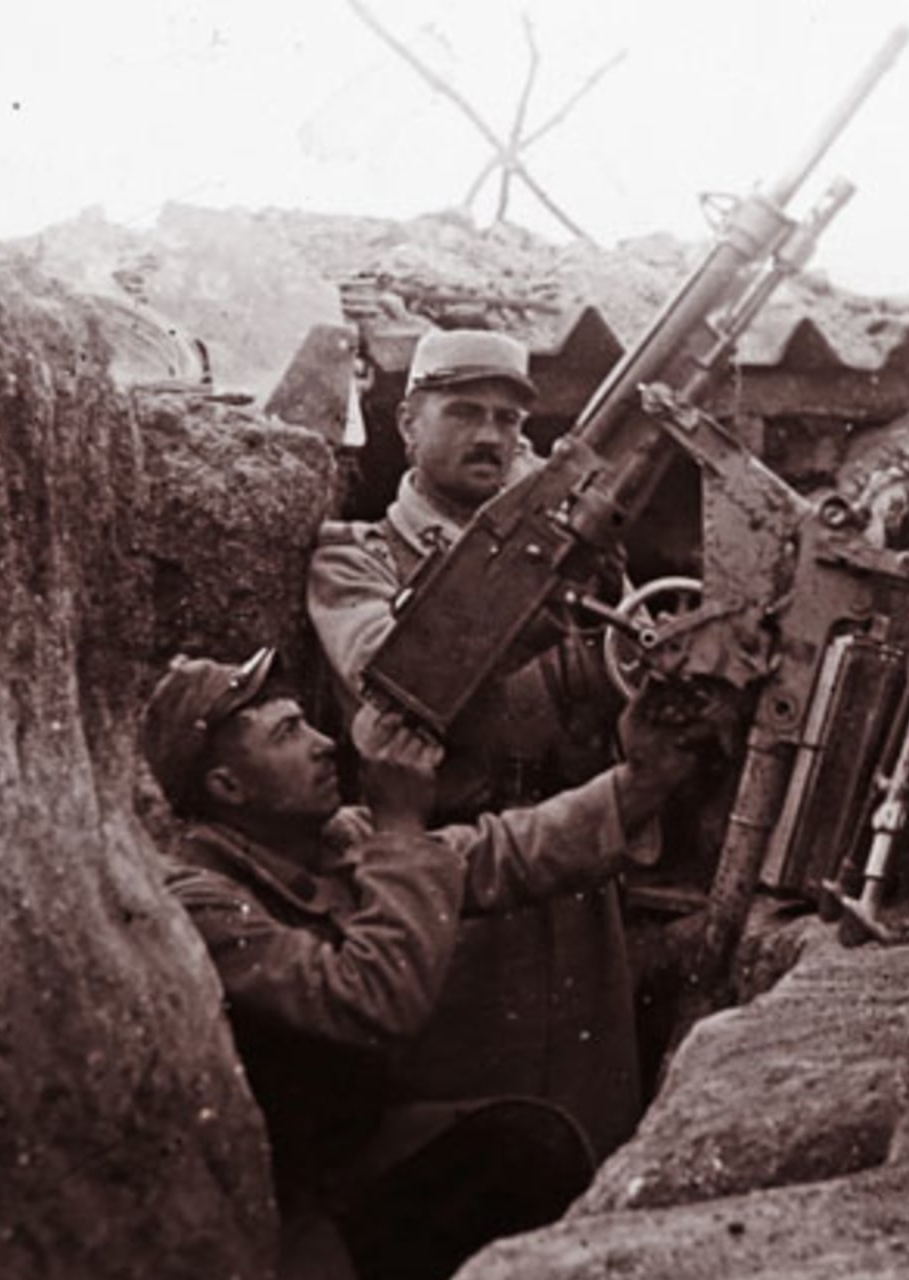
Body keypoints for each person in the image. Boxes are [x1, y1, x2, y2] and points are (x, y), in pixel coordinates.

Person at [139, 646, 703, 1280]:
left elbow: (497, 853)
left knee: (531, 1147)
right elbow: (369, 1002)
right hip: (277, 1200)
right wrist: (401, 822)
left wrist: (642, 781)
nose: (327, 744)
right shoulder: (197, 901)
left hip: (349, 1149)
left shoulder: (327, 841)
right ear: (227, 787)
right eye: (288, 733)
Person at [306, 328, 651, 1157]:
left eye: (507, 419)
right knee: (457, 1150)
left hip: (571, 882)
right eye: (464, 411)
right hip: (443, 889)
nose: (491, 435)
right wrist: (525, 575)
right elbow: (398, 676)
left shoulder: (564, 563)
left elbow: (607, 688)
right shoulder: (356, 559)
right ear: (408, 429)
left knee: (586, 1138)